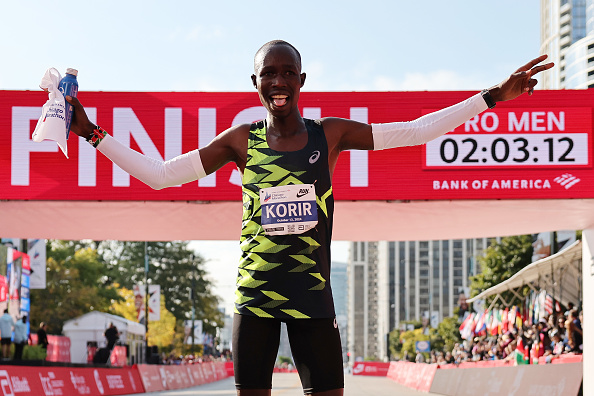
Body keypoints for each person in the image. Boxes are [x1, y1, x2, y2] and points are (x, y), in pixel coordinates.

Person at [66, 40, 553, 396]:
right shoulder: (241, 140)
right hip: (254, 299)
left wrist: (491, 96)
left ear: (301, 81)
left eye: (286, 73)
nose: (277, 82)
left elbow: (415, 131)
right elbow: (161, 175)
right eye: (267, 74)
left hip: (312, 297)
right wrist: (91, 132)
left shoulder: (331, 135)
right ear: (255, 84)